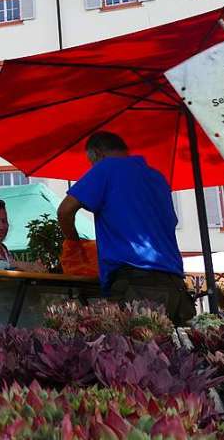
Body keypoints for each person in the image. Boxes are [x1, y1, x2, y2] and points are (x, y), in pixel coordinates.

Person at [57, 131, 194, 325]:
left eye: (91, 162)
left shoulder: (105, 168)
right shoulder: (157, 177)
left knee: (131, 351)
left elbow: (65, 211)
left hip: (135, 282)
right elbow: (170, 221)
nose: (92, 167)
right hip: (174, 283)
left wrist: (74, 243)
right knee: (169, 353)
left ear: (97, 153)